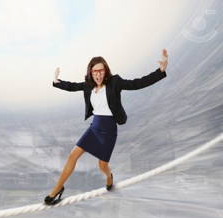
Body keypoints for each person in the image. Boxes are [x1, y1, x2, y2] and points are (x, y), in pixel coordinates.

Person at [44, 49, 168, 205]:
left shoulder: (115, 82)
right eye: (95, 71)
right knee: (73, 155)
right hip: (94, 127)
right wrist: (57, 82)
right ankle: (57, 189)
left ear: (106, 71)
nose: (98, 74)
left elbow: (137, 83)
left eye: (101, 70)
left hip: (109, 130)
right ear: (91, 72)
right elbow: (72, 86)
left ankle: (109, 177)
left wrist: (160, 71)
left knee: (102, 165)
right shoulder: (88, 86)